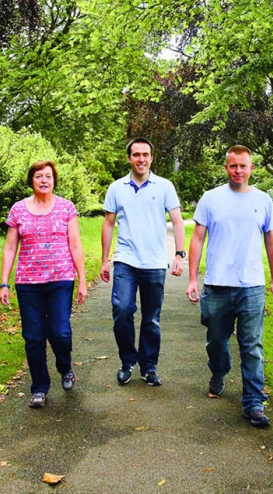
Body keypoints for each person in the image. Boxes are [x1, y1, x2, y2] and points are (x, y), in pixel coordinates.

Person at [186, 145, 273, 428]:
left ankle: (253, 402)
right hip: (217, 285)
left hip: (251, 286)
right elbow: (197, 239)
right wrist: (193, 278)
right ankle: (219, 370)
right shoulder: (210, 198)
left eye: (243, 166)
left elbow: (271, 242)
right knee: (217, 341)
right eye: (233, 166)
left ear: (251, 168)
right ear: (226, 167)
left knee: (252, 346)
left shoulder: (263, 200)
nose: (238, 170)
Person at [0, 160, 87, 409]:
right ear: (32, 180)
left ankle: (65, 367)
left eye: (48, 176)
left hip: (61, 279)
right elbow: (9, 247)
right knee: (33, 337)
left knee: (60, 332)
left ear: (54, 180)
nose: (44, 180)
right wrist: (4, 283)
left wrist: (82, 280)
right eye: (39, 176)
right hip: (28, 283)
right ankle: (39, 388)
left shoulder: (66, 208)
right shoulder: (18, 210)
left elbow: (76, 245)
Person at [100, 138, 185, 387]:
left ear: (152, 157)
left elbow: (178, 221)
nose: (141, 159)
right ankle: (127, 362)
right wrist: (105, 260)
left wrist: (179, 254)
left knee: (152, 318)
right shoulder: (117, 188)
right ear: (129, 158)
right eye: (136, 154)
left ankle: (149, 367)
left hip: (155, 263)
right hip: (125, 259)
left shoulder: (165, 186)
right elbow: (107, 223)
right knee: (123, 311)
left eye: (145, 154)